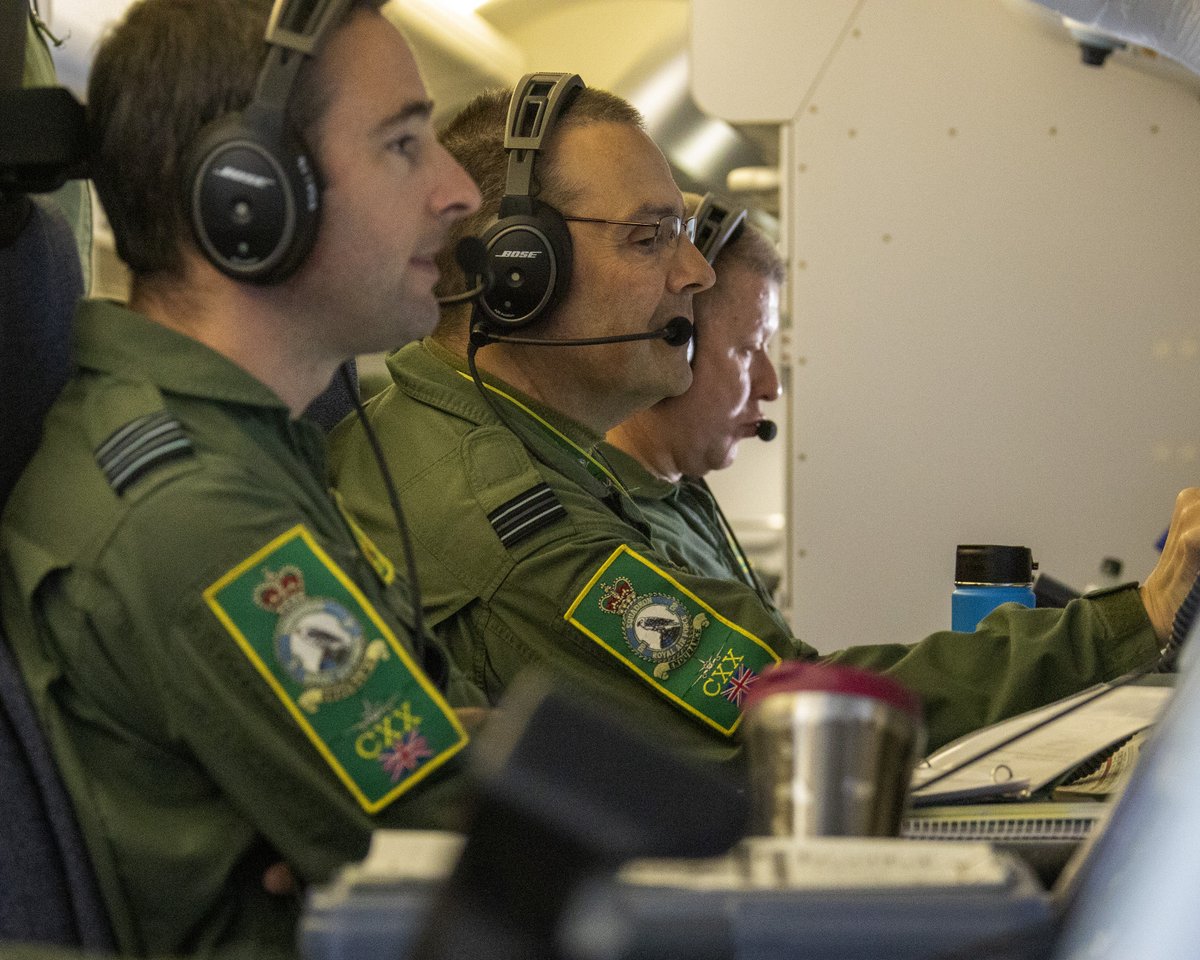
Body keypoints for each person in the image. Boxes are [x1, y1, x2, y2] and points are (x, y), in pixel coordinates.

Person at [329, 77, 1200, 768]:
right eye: (648, 238)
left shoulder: (543, 457)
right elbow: (790, 714)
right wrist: (1141, 614)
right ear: (520, 274)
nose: (698, 275)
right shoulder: (505, 522)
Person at [0, 0, 484, 956]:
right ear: (249, 196)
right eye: (402, 145)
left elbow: (442, 791)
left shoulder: (247, 451)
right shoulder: (196, 516)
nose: (459, 190)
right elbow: (509, 867)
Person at [603, 194, 787, 632]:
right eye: (747, 349)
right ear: (671, 344)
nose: (772, 386)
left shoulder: (679, 501)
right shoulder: (627, 537)